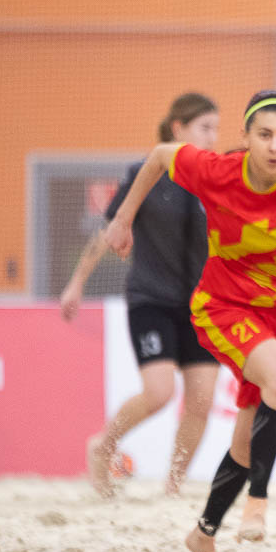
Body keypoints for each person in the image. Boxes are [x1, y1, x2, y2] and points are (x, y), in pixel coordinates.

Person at [105, 90, 276, 552]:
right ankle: (257, 503)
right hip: (224, 304)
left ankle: (203, 534)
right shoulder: (218, 170)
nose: (275, 146)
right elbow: (159, 155)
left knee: (248, 433)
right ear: (245, 137)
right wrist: (123, 219)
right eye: (265, 135)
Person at [61, 93, 221, 499]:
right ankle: (103, 445)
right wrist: (77, 282)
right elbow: (109, 230)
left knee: (201, 400)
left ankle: (174, 486)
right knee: (160, 392)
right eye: (205, 128)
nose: (213, 137)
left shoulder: (214, 178)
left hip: (202, 304)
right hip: (152, 299)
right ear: (178, 129)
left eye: (216, 129)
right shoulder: (145, 173)